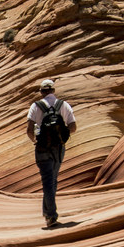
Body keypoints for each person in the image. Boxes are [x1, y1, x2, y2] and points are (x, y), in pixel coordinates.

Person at [26, 79, 76, 228]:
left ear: (41, 92)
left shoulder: (36, 106)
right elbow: (73, 127)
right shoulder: (64, 105)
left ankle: (50, 215)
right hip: (59, 148)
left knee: (47, 180)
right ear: (53, 91)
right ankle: (48, 214)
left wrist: (36, 140)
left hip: (42, 148)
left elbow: (29, 130)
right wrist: (62, 135)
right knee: (52, 179)